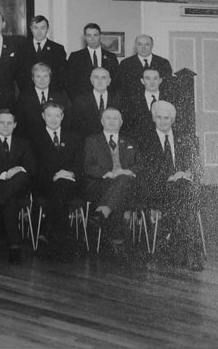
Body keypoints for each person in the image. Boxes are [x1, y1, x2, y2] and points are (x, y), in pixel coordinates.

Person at [139, 101, 203, 271]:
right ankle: (187, 250)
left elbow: (197, 167)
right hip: (158, 190)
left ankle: (175, 244)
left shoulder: (185, 139)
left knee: (184, 190)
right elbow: (145, 171)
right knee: (185, 198)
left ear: (173, 120)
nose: (162, 121)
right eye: (159, 117)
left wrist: (187, 173)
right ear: (153, 118)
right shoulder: (145, 141)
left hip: (182, 187)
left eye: (166, 118)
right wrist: (169, 177)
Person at [0, 109, 36, 264]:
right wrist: (4, 175)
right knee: (10, 199)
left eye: (9, 123)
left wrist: (18, 169)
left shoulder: (24, 143)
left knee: (22, 175)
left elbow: (31, 167)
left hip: (17, 187)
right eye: (2, 122)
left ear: (15, 124)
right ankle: (14, 248)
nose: (5, 126)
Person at [82, 108, 140, 255]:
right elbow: (87, 166)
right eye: (108, 118)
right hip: (102, 184)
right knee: (120, 191)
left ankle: (103, 212)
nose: (112, 121)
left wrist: (126, 171)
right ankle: (117, 242)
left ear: (121, 122)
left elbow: (140, 164)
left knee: (123, 180)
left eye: (116, 118)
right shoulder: (92, 140)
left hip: (127, 185)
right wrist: (106, 173)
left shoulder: (131, 141)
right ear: (102, 121)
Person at [30, 102, 83, 262]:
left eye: (57, 115)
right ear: (43, 116)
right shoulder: (35, 138)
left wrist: (68, 173)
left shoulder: (74, 137)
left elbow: (79, 164)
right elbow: (34, 166)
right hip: (46, 184)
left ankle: (51, 237)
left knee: (61, 189)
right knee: (59, 191)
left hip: (70, 183)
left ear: (62, 116)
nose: (53, 119)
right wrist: (54, 175)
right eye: (49, 115)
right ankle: (64, 241)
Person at [14, 62, 71, 139]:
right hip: (31, 140)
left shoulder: (60, 95)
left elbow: (67, 120)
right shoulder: (24, 97)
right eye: (38, 76)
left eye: (45, 76)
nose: (42, 80)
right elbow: (20, 124)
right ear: (32, 78)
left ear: (50, 78)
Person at [121, 68, 175, 141]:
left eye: (155, 78)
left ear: (160, 80)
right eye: (148, 78)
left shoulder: (170, 99)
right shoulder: (132, 101)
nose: (152, 82)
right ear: (142, 81)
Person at [66, 23, 119, 98]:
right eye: (89, 35)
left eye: (95, 35)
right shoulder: (75, 57)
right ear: (85, 37)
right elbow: (70, 83)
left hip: (106, 99)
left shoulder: (111, 57)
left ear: (100, 36)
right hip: (83, 100)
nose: (92, 39)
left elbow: (116, 81)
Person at [18, 15, 67, 92]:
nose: (39, 31)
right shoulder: (22, 48)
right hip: (27, 92)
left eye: (42, 28)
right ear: (31, 28)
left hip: (51, 92)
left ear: (47, 29)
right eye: (36, 28)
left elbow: (61, 75)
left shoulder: (57, 49)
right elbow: (19, 74)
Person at [71, 67, 120, 139]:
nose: (100, 81)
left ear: (109, 81)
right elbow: (75, 128)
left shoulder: (118, 100)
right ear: (91, 81)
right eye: (96, 78)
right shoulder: (80, 101)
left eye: (103, 78)